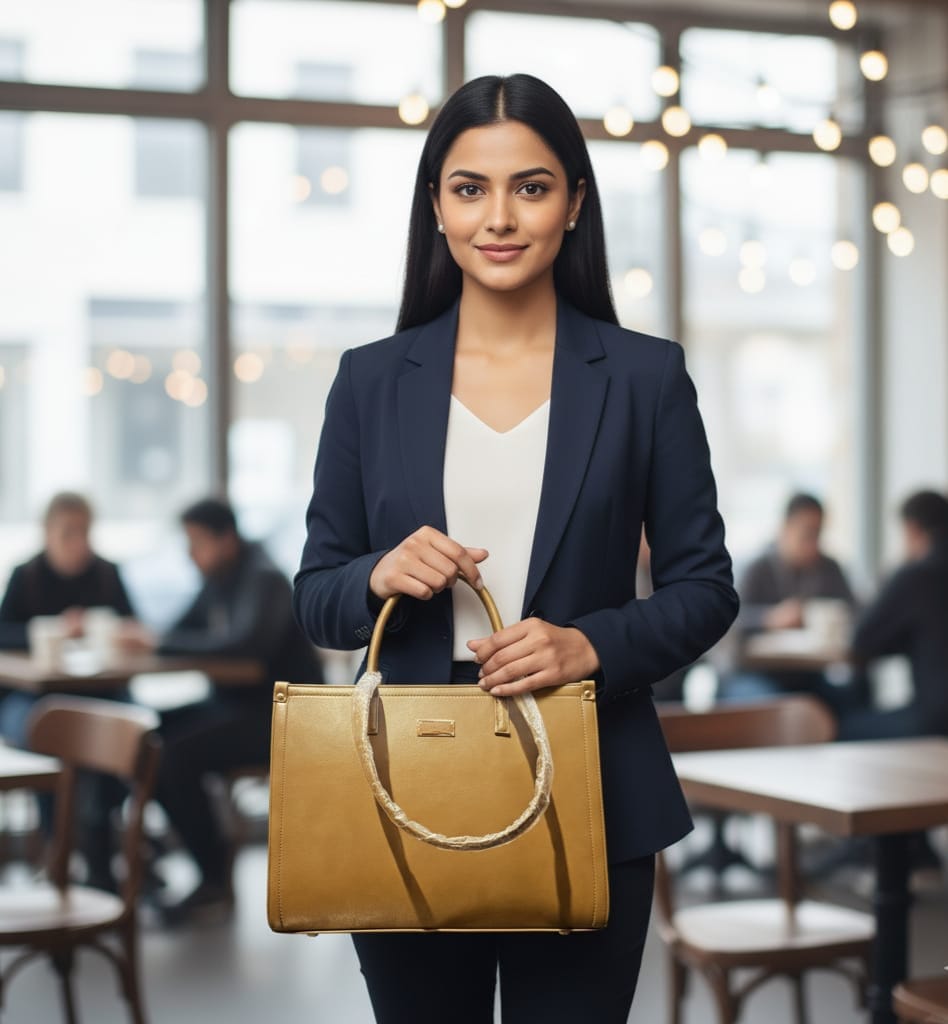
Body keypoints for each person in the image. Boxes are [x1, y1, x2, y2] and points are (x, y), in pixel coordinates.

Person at [293, 74, 738, 1024]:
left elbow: (706, 588)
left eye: (531, 187)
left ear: (574, 203)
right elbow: (315, 595)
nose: (500, 217)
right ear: (437, 207)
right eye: (470, 188)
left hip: (595, 782)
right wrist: (373, 576)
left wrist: (592, 647)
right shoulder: (371, 382)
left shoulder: (644, 376)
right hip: (408, 783)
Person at [150, 498, 323, 922]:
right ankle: (162, 852)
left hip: (285, 718)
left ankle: (212, 877)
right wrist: (157, 640)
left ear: (226, 539)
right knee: (145, 734)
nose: (191, 554)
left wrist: (156, 643)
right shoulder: (218, 579)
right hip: (235, 707)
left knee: (175, 755)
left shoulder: (264, 579)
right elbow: (176, 633)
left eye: (196, 542)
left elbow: (245, 647)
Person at [0, 491, 143, 889]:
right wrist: (53, 630)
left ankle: (105, 850)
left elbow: (133, 625)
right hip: (33, 698)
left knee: (134, 732)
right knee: (52, 735)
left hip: (100, 694)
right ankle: (60, 848)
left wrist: (126, 634)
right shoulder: (26, 576)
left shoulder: (106, 573)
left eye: (84, 532)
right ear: (47, 534)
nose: (77, 542)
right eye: (68, 533)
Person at [722, 492, 857, 707]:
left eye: (818, 534)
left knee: (850, 695)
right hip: (756, 673)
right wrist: (768, 619)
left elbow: (854, 612)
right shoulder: (758, 568)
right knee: (774, 705)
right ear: (785, 528)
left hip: (807, 673)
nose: (813, 543)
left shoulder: (829, 569)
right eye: (806, 533)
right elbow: (727, 619)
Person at [840, 490, 948, 739]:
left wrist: (896, 571)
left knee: (844, 727)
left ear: (911, 529)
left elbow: (861, 642)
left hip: (935, 721)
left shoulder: (916, 575)